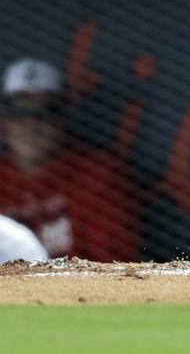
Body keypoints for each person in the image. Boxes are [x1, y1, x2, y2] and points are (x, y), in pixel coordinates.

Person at [0, 58, 138, 261]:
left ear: (63, 118)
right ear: (4, 122)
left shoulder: (98, 174)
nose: (32, 124)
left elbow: (115, 265)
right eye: (20, 112)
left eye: (46, 111)